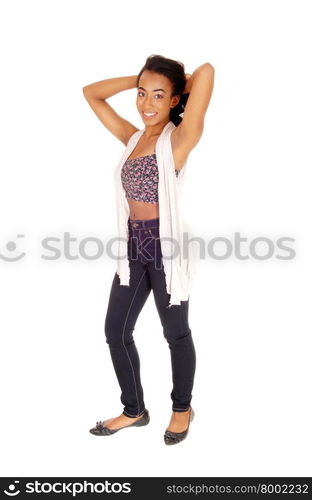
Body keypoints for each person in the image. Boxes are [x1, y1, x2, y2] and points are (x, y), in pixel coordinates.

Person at [83, 54, 214, 445]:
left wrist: (176, 83)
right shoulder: (133, 137)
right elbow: (91, 95)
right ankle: (134, 409)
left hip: (164, 246)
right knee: (115, 330)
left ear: (175, 100)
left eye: (159, 96)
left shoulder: (180, 138)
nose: (146, 104)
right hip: (132, 245)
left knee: (175, 333)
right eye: (142, 94)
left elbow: (207, 72)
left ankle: (181, 408)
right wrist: (140, 80)